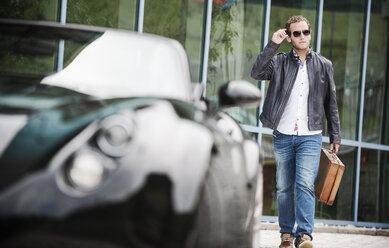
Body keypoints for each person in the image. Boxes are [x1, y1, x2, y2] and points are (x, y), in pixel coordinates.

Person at [251, 15, 341, 248]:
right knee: (283, 187)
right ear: (289, 37)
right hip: (282, 134)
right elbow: (257, 72)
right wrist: (273, 44)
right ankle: (286, 234)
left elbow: (331, 103)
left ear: (310, 34)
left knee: (304, 184)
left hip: (310, 135)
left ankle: (304, 235)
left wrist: (335, 136)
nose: (302, 37)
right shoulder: (279, 61)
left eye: (306, 32)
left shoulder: (324, 65)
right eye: (297, 33)